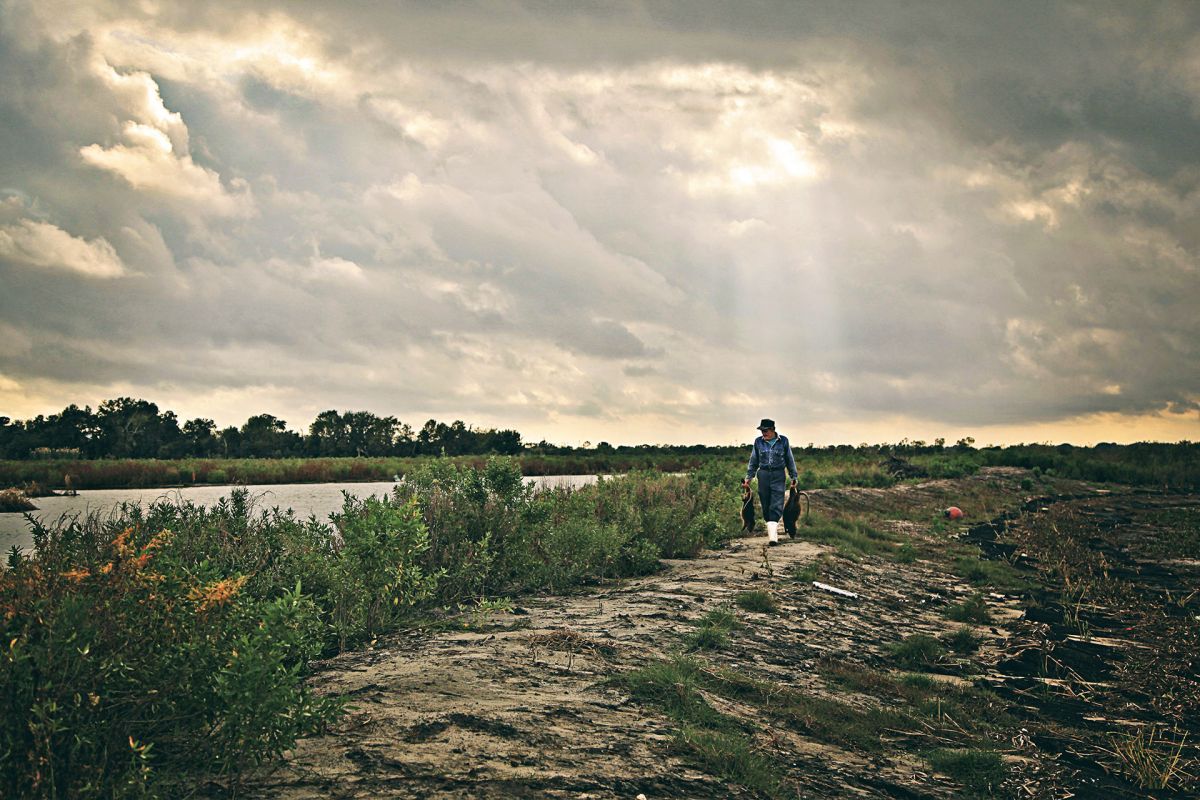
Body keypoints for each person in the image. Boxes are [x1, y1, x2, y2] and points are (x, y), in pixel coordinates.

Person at [743, 418, 798, 545]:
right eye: (762, 431)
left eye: (766, 430)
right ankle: (771, 530)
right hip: (763, 475)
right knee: (766, 504)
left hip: (778, 474)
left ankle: (773, 538)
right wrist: (748, 478)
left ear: (773, 430)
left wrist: (793, 477)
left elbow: (790, 460)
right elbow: (753, 461)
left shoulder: (783, 441)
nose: (763, 433)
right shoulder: (758, 442)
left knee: (777, 502)